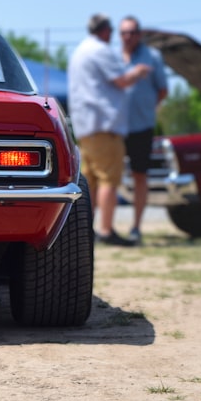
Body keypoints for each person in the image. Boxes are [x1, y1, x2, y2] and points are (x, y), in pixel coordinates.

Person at [67, 13, 152, 246]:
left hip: (86, 127)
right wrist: (139, 71)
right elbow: (121, 80)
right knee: (108, 180)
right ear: (105, 30)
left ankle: (87, 231)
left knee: (91, 181)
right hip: (104, 126)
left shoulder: (79, 51)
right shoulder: (101, 50)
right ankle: (106, 229)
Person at [119, 16, 167, 244]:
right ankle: (103, 227)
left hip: (141, 127)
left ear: (139, 33)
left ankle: (136, 226)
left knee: (140, 175)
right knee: (108, 177)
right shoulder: (112, 58)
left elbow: (163, 90)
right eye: (124, 32)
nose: (128, 36)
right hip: (115, 128)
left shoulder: (153, 57)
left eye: (132, 32)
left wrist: (146, 108)